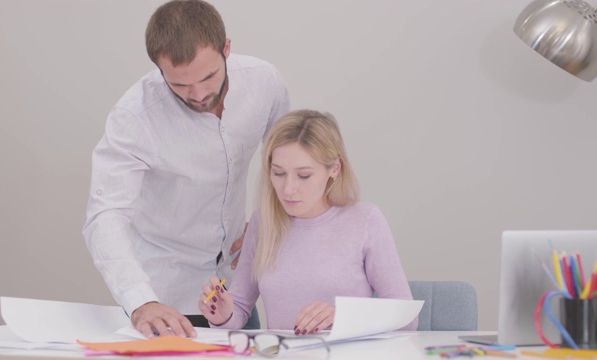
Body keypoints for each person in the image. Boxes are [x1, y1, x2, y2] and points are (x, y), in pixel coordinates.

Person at [82, 0, 290, 339]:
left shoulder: (264, 83)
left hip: (235, 294)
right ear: (159, 69)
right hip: (164, 298)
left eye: (209, 76)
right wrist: (140, 302)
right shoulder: (135, 117)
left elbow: (288, 162)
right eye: (180, 85)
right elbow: (105, 216)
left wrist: (268, 221)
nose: (199, 94)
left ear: (226, 48)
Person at [197, 110, 417, 333]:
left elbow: (406, 318)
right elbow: (241, 307)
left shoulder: (365, 220)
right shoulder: (263, 223)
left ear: (334, 169)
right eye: (279, 173)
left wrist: (344, 316)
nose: (288, 189)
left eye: (304, 176)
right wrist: (223, 315)